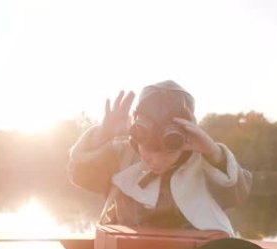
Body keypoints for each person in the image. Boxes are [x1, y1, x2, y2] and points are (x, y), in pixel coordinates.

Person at [67, 80, 252, 236]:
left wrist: (214, 153)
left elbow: (237, 195)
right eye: (146, 150)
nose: (154, 160)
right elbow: (80, 175)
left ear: (185, 139)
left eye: (167, 153)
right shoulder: (121, 155)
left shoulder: (203, 162)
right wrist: (102, 134)